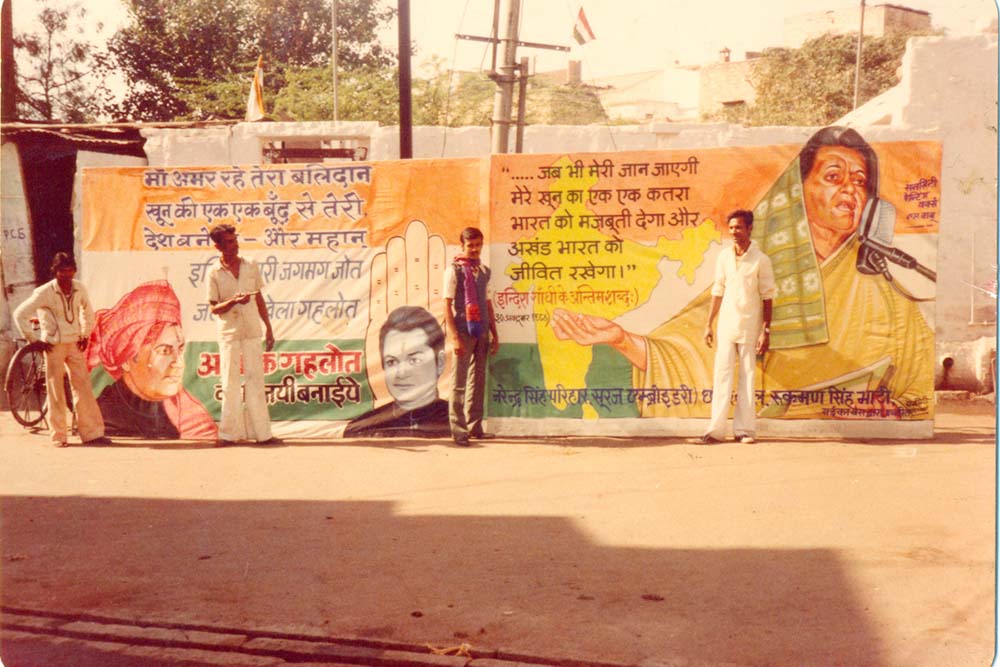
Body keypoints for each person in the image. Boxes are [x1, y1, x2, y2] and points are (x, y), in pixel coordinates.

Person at [551, 126, 934, 421]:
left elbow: (914, 389)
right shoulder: (753, 260)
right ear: (799, 189)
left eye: (860, 181)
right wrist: (622, 339)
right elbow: (688, 350)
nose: (850, 190)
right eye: (834, 177)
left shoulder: (886, 291)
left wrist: (891, 409)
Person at [87, 280, 218, 440]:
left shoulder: (191, 417)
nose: (178, 363)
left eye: (180, 349)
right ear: (127, 360)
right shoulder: (104, 412)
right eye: (164, 351)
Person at [12, 252, 108, 447]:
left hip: (74, 343)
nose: (66, 274)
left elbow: (87, 312)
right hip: (53, 345)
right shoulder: (44, 292)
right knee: (55, 390)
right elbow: (20, 314)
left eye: (70, 270)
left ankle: (92, 434)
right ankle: (59, 436)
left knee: (83, 387)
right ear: (55, 271)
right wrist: (34, 340)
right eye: (62, 271)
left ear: (74, 271)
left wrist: (85, 335)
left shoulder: (79, 288)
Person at [699, 210, 776, 444]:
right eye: (731, 228)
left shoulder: (761, 260)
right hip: (726, 325)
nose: (734, 232)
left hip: (749, 325)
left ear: (750, 228)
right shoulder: (724, 257)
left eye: (739, 227)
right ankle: (715, 430)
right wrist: (708, 324)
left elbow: (768, 297)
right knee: (722, 375)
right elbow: (718, 290)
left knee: (747, 376)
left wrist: (765, 331)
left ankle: (744, 430)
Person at [207, 223, 280, 445]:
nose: (235, 245)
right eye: (229, 242)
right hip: (229, 332)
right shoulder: (214, 272)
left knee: (255, 381)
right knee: (229, 382)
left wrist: (268, 327)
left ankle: (263, 435)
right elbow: (214, 308)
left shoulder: (250, 266)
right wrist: (233, 301)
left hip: (251, 330)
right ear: (218, 246)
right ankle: (228, 435)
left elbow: (259, 298)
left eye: (235, 240)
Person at [343, 305, 449, 437]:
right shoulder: (362, 429)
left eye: (414, 360)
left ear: (440, 362)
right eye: (392, 362)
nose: (401, 373)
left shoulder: (458, 424)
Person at [443, 227, 499, 445]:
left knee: (478, 379)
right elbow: (446, 305)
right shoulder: (453, 271)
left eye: (478, 245)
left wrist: (494, 333)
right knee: (459, 381)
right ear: (462, 246)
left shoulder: (484, 271)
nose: (475, 249)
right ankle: (458, 430)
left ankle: (475, 426)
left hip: (482, 330)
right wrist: (454, 337)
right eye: (470, 245)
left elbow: (488, 303)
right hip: (463, 330)